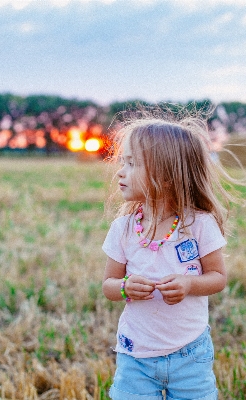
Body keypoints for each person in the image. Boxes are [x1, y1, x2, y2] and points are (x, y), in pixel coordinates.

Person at [102, 110, 237, 400]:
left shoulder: (199, 224)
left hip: (191, 352)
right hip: (135, 352)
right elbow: (108, 285)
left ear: (165, 177)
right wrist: (125, 287)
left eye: (132, 163)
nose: (120, 171)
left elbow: (218, 278)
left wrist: (189, 284)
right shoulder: (123, 228)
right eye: (122, 162)